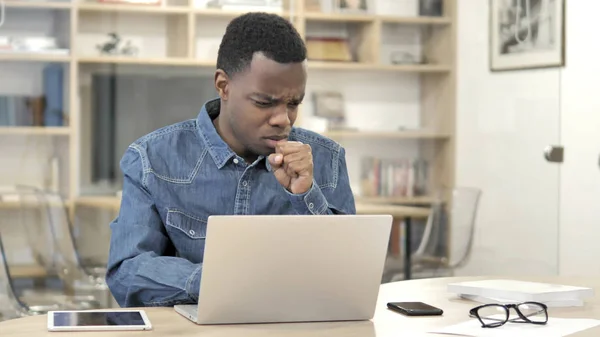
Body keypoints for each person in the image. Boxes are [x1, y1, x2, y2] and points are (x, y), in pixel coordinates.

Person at [105, 12, 356, 308]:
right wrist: (218, 281)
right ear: (223, 86)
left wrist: (306, 196)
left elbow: (350, 278)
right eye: (265, 102)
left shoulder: (326, 160)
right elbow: (127, 272)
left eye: (294, 103)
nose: (282, 119)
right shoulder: (151, 160)